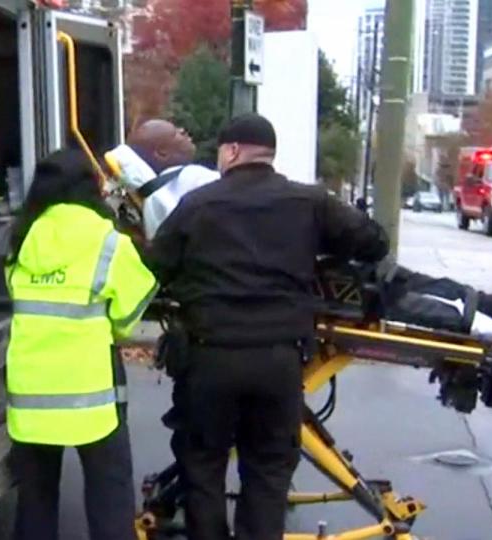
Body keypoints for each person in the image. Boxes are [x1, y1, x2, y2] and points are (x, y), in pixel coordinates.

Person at [143, 114, 391, 540]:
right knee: (268, 471)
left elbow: (155, 267)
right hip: (278, 357)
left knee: (202, 467)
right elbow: (373, 242)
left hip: (210, 358)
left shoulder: (198, 205)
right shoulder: (309, 203)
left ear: (232, 151)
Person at [107, 119, 492, 339]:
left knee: (389, 277)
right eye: (178, 133)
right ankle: (486, 317)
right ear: (162, 155)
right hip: (291, 290)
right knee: (384, 287)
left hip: (251, 300)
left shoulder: (183, 190)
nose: (190, 134)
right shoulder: (189, 188)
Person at [4, 149, 158, 540]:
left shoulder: (22, 240)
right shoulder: (109, 242)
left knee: (35, 504)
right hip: (92, 401)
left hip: (30, 398)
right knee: (109, 498)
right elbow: (126, 319)